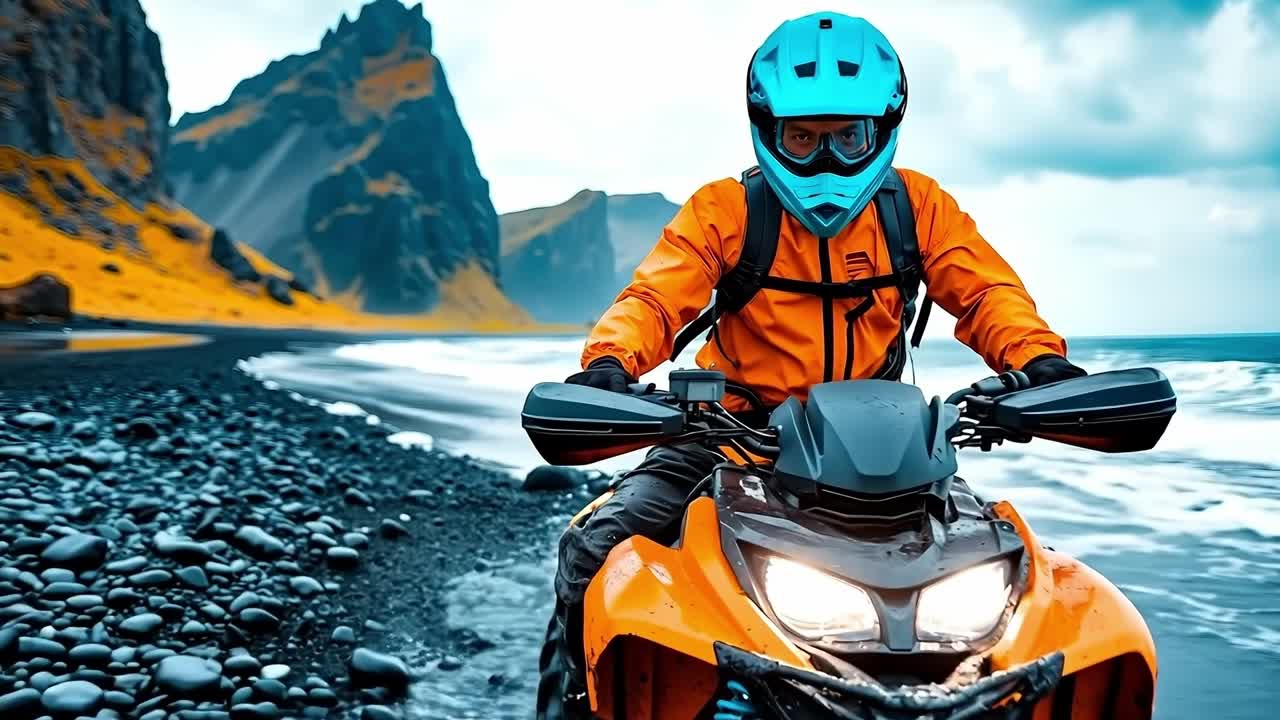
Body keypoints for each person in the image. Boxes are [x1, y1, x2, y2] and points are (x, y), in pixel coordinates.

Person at [536, 11, 1086, 717]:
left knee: (1016, 583)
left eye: (846, 136)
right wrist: (610, 364)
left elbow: (983, 291)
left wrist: (1037, 360)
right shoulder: (726, 211)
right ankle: (568, 707)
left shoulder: (916, 208)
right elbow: (656, 295)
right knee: (593, 549)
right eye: (803, 138)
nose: (825, 160)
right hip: (726, 436)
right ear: (769, 132)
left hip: (882, 455)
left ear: (882, 130)